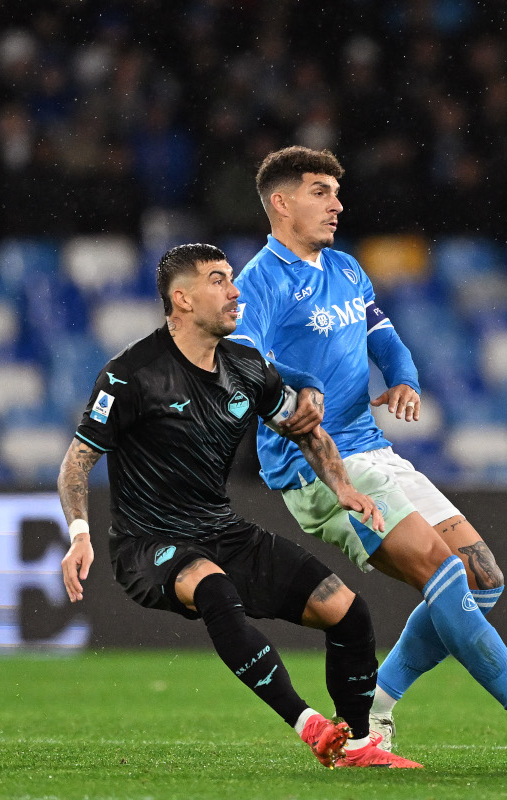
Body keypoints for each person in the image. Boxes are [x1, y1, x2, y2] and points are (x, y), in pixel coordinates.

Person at [228, 146, 507, 764]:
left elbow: (385, 337)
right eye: (320, 191)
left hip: (373, 449)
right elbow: (246, 359)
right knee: (443, 574)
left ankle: (376, 702)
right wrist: (305, 382)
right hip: (317, 462)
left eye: (336, 191)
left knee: (483, 580)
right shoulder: (260, 282)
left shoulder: (349, 269)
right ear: (281, 202)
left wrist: (402, 376)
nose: (337, 203)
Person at [57, 243, 422, 769]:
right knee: (213, 585)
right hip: (148, 542)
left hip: (221, 527)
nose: (235, 292)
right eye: (218, 281)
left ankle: (361, 745)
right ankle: (309, 724)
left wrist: (342, 486)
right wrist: (80, 534)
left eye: (232, 278)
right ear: (181, 299)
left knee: (348, 612)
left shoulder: (247, 367)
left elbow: (304, 430)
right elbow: (77, 461)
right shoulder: (130, 374)